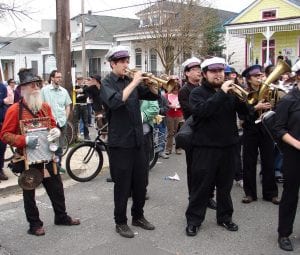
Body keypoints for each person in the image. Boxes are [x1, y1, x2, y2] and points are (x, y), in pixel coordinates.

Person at [0, 68, 80, 236]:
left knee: (57, 188)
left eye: (37, 84)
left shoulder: (44, 107)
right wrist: (24, 140)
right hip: (27, 158)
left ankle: (61, 216)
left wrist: (56, 132)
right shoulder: (14, 110)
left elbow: (51, 125)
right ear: (23, 88)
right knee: (29, 193)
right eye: (31, 85)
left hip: (48, 157)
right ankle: (34, 224)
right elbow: (5, 135)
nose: (36, 88)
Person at [185, 57, 250, 236]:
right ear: (205, 74)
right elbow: (202, 112)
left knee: (225, 187)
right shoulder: (197, 93)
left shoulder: (231, 92)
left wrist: (245, 101)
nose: (219, 74)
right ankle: (194, 220)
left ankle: (225, 218)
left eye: (221, 71)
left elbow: (246, 114)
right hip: (205, 148)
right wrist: (221, 93)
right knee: (201, 187)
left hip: (228, 147)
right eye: (213, 71)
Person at [99, 45, 158, 238]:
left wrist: (152, 83)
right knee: (123, 185)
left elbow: (152, 95)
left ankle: (138, 216)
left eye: (127, 61)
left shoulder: (129, 80)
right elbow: (116, 102)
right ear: (112, 64)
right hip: (120, 143)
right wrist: (133, 82)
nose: (126, 65)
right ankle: (120, 222)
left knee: (141, 183)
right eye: (122, 62)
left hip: (137, 140)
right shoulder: (106, 83)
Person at [178, 57, 216, 209]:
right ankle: (193, 197)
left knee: (210, 168)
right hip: (193, 134)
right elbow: (193, 111)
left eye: (199, 69)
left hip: (209, 134)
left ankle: (208, 197)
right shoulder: (184, 91)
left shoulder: (206, 88)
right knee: (194, 169)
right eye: (194, 70)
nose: (198, 72)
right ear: (187, 73)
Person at [240, 65, 279, 204]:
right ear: (249, 79)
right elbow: (242, 114)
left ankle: (271, 193)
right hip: (250, 129)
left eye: (261, 75)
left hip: (266, 129)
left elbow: (275, 108)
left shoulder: (269, 89)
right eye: (257, 76)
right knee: (249, 161)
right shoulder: (244, 93)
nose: (261, 78)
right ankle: (249, 194)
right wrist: (256, 107)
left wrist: (272, 105)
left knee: (269, 161)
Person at [274, 61, 300, 252]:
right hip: (294, 155)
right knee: (290, 195)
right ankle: (284, 233)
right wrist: (298, 144)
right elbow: (278, 129)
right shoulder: (288, 101)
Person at [41, 70, 72, 172]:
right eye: (57, 77)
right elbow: (40, 106)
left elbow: (68, 105)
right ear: (52, 78)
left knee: (60, 146)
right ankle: (49, 167)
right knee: (49, 145)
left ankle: (58, 165)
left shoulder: (64, 91)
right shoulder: (44, 90)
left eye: (60, 77)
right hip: (50, 123)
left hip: (62, 122)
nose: (59, 79)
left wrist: (66, 118)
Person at [165, 82, 183, 155]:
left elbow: (185, 104)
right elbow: (164, 104)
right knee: (170, 132)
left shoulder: (181, 95)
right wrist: (169, 106)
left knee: (178, 133)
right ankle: (168, 149)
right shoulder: (166, 95)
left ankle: (178, 148)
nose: (175, 91)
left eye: (177, 89)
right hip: (170, 114)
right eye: (174, 89)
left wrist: (180, 106)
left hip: (179, 114)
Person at [0, 82, 9, 181]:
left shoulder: (2, 87)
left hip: (2, 123)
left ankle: (0, 169)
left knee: (2, 147)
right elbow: (4, 101)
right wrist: (2, 101)